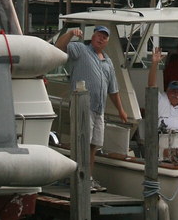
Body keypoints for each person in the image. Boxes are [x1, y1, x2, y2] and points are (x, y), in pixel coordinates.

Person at [55, 25, 128, 181]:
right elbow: (59, 47)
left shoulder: (108, 62)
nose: (101, 38)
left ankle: (87, 178)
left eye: (104, 36)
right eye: (99, 35)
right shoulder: (80, 50)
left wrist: (121, 110)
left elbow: (113, 90)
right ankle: (76, 177)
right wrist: (69, 34)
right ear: (93, 36)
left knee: (93, 146)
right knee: (81, 143)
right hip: (82, 107)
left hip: (99, 110)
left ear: (107, 41)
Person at [148, 46, 178, 130]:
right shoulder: (161, 99)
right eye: (173, 91)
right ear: (167, 91)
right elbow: (151, 85)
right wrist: (154, 64)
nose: (175, 94)